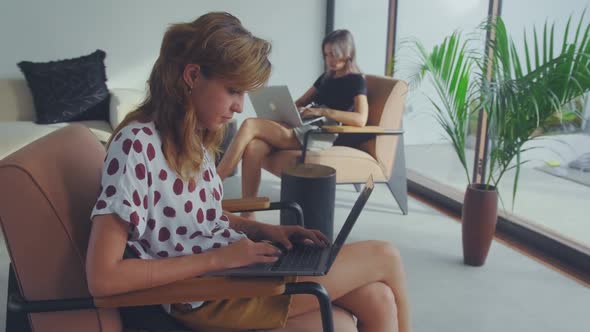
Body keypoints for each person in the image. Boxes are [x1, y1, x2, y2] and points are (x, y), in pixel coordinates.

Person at [86, 12, 411, 332]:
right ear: (192, 76)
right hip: (209, 294)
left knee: (378, 299)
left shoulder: (192, 137)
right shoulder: (136, 146)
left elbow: (204, 217)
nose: (240, 106)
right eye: (233, 91)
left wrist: (264, 232)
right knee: (384, 254)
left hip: (236, 271)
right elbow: (103, 277)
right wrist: (220, 259)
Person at [216, 29, 371, 216]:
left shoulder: (356, 81)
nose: (329, 59)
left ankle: (214, 184)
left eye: (333, 54)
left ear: (347, 52)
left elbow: (361, 119)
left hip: (322, 133)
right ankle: (248, 213)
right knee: (254, 147)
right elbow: (300, 102)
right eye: (326, 54)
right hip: (305, 125)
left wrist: (322, 111)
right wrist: (289, 109)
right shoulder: (326, 77)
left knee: (250, 124)